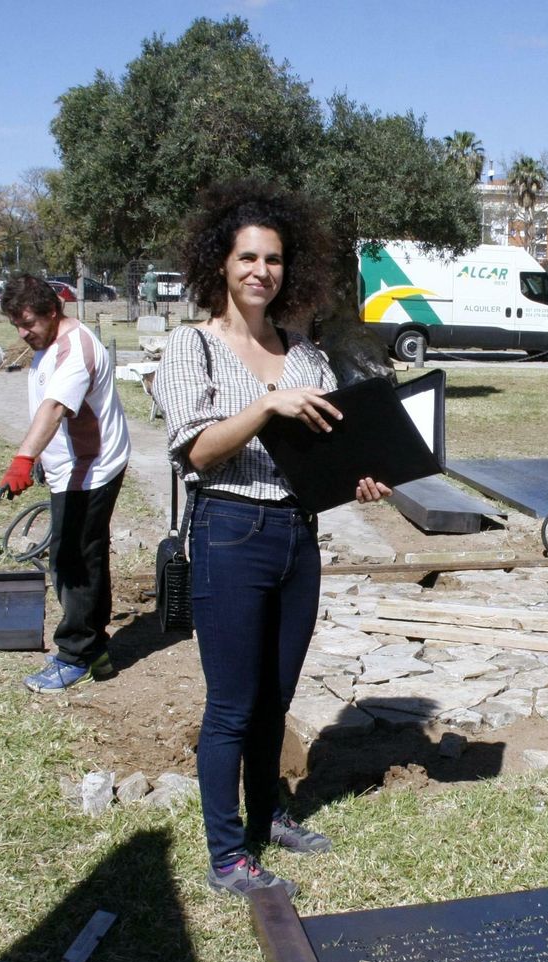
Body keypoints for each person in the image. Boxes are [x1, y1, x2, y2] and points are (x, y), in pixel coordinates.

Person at [157, 182, 390, 899]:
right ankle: (227, 856)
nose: (262, 271)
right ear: (220, 264)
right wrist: (264, 405)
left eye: (275, 259)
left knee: (274, 701)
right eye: (248, 257)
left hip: (298, 535)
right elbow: (196, 453)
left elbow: (319, 460)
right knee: (231, 704)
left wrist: (358, 479)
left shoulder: (308, 355)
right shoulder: (190, 347)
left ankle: (268, 814)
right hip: (230, 531)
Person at [0, 275, 132, 693]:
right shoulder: (49, 341)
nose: (23, 333)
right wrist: (45, 459)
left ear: (53, 312)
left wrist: (24, 458)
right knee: (82, 556)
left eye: (29, 323)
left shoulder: (75, 350)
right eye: (16, 324)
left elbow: (54, 409)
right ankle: (97, 648)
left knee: (73, 560)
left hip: (91, 469)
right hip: (71, 466)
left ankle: (75, 655)